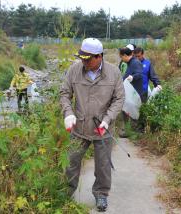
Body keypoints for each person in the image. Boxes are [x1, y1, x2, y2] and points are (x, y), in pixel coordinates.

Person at [60, 38, 125, 212]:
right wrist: (68, 113)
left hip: (102, 128)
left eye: (87, 59)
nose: (84, 61)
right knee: (71, 161)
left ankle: (101, 194)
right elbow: (65, 93)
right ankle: (66, 191)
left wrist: (108, 119)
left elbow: (119, 99)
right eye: (82, 57)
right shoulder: (74, 70)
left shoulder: (113, 73)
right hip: (79, 127)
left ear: (99, 57)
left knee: (103, 165)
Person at [118, 46, 143, 137]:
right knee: (126, 109)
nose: (121, 59)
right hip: (129, 91)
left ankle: (135, 131)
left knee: (133, 111)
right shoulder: (130, 63)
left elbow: (139, 74)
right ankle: (128, 130)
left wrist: (133, 77)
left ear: (125, 55)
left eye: (121, 57)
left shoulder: (135, 62)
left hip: (134, 92)